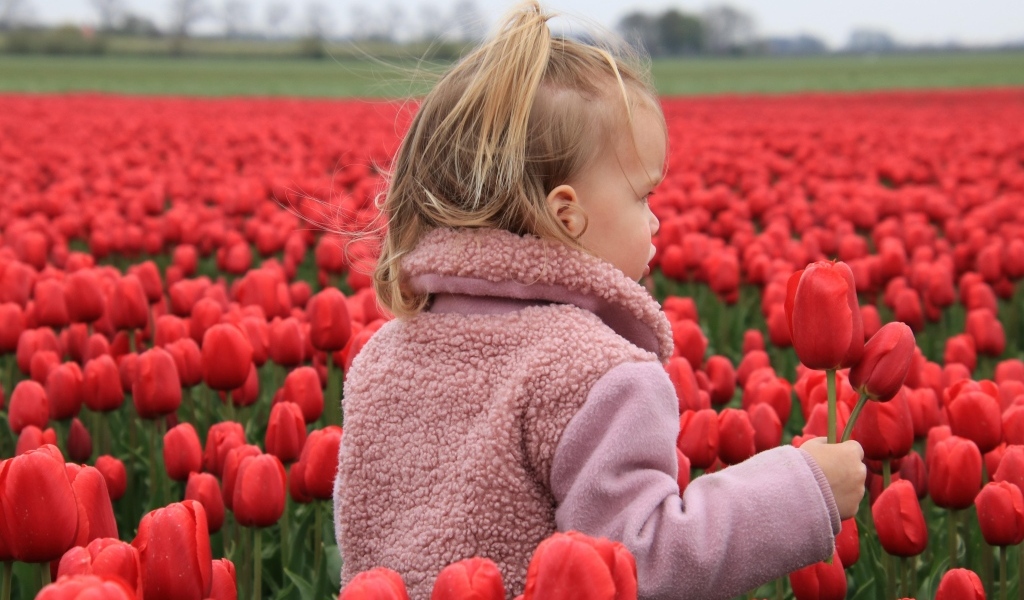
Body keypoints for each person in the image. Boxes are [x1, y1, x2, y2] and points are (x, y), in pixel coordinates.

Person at [333, 2, 866, 598]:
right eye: (642, 196)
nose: (657, 219)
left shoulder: (381, 358)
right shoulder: (594, 374)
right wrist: (804, 490)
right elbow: (641, 561)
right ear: (568, 215)